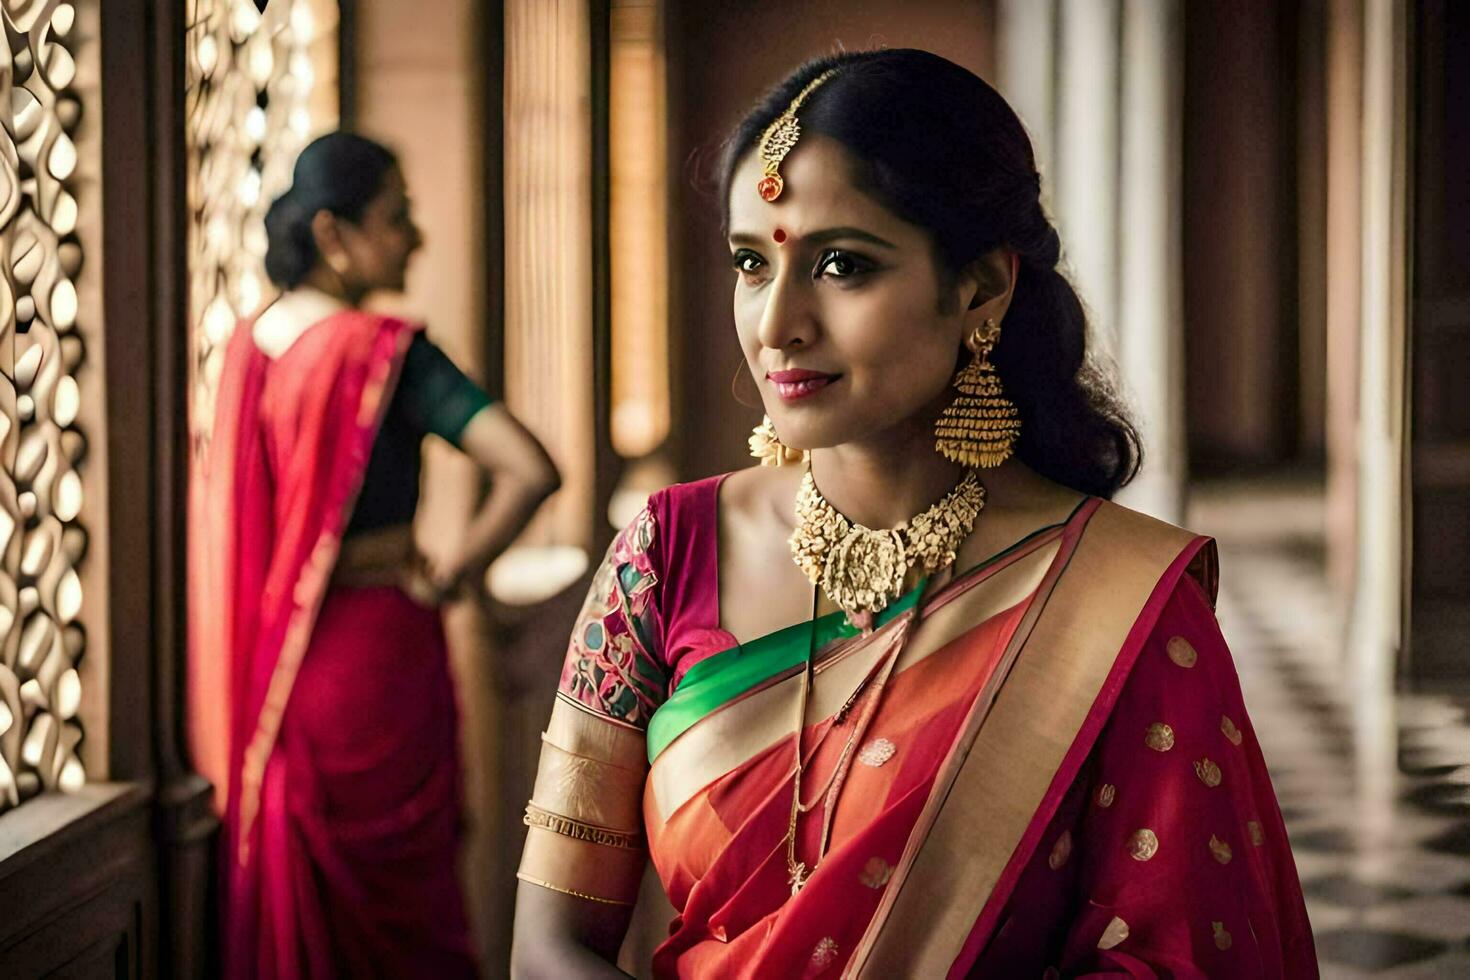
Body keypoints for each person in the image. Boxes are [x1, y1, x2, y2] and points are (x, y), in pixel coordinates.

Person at [510, 50, 1315, 979]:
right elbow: (548, 947)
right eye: (748, 263)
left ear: (981, 287)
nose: (776, 324)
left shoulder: (1117, 604)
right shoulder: (664, 557)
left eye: (841, 265)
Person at [190, 131, 560, 978]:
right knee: (408, 923)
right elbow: (531, 468)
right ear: (333, 235)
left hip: (279, 673)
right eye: (397, 219)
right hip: (379, 662)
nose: (415, 238)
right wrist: (454, 569)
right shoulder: (387, 354)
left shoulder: (249, 349)